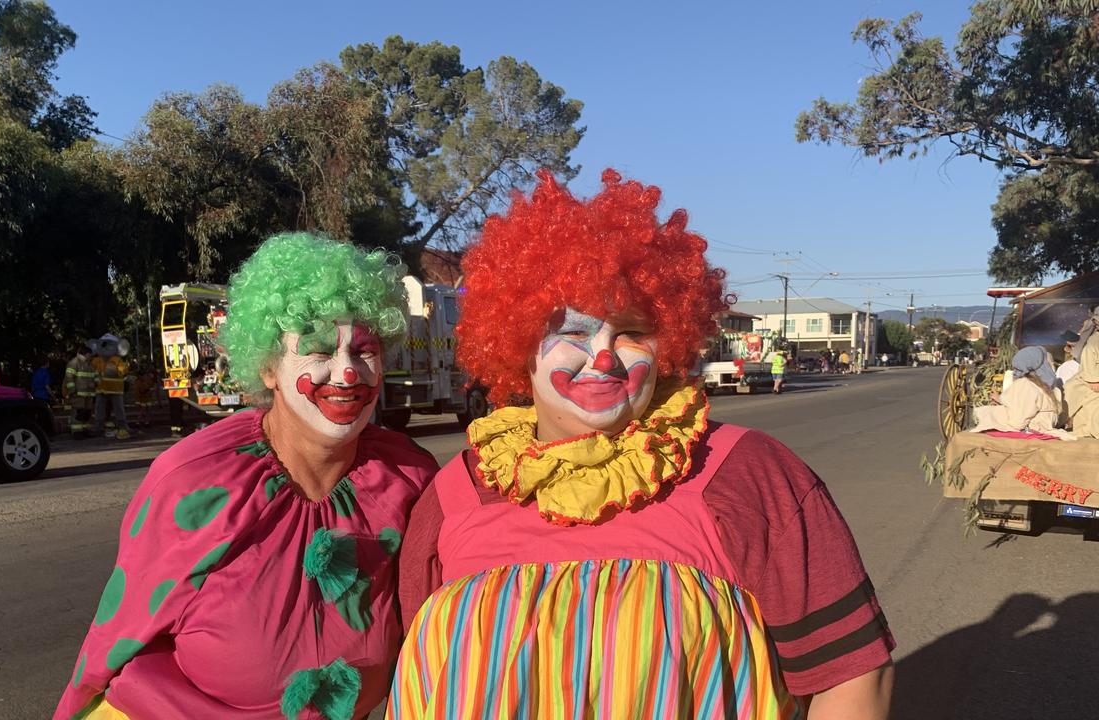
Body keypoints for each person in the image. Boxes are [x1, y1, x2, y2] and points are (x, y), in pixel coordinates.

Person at [388, 170, 894, 719]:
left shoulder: (748, 474)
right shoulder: (456, 492)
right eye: (574, 332)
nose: (604, 357)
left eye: (630, 331)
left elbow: (851, 678)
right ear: (517, 342)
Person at [54, 233, 438, 720]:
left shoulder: (408, 478)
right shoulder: (195, 479)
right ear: (269, 368)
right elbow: (114, 638)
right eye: (319, 351)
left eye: (364, 351)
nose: (346, 373)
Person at [971, 346, 1068, 438]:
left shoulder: (1026, 384)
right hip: (1044, 424)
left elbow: (1018, 420)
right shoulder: (1044, 385)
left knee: (988, 413)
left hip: (1033, 428)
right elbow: (1028, 406)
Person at [1064, 305, 1099, 438]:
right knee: (1089, 416)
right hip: (1090, 386)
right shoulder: (1094, 342)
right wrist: (1094, 379)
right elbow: (1092, 378)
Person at [63, 344, 97, 439]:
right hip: (78, 394)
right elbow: (69, 378)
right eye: (90, 354)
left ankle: (85, 430)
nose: (91, 356)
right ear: (86, 354)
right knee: (78, 412)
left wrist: (96, 383)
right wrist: (72, 390)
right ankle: (76, 432)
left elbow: (96, 376)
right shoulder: (74, 363)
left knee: (87, 413)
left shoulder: (90, 364)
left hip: (89, 394)